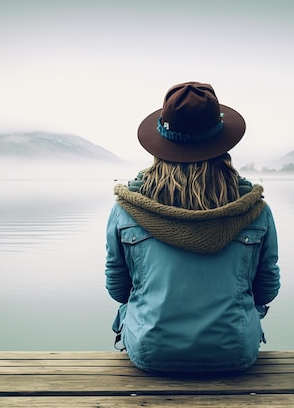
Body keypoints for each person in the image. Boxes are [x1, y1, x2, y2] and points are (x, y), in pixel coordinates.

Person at [105, 81, 280, 374]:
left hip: (151, 353)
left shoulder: (127, 210)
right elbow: (266, 290)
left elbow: (118, 289)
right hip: (235, 354)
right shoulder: (255, 210)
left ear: (160, 145)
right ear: (222, 143)